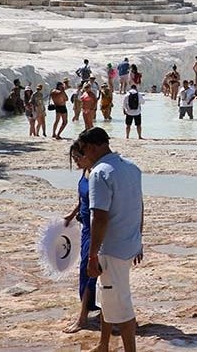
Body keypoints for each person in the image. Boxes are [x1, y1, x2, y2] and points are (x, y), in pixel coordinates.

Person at [79, 127, 144, 352]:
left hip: (111, 249)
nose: (84, 155)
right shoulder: (131, 167)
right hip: (129, 243)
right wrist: (139, 239)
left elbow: (100, 217)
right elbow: (139, 206)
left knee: (121, 305)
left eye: (83, 150)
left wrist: (92, 255)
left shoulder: (100, 172)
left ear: (92, 146)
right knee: (108, 296)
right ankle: (103, 344)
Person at [62, 140, 100, 333]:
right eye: (73, 158)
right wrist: (71, 215)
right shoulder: (85, 172)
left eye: (78, 157)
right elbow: (82, 198)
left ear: (88, 154)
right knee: (86, 271)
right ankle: (96, 310)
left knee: (90, 270)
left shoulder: (97, 174)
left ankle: (83, 318)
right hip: (86, 228)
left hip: (96, 229)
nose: (75, 162)